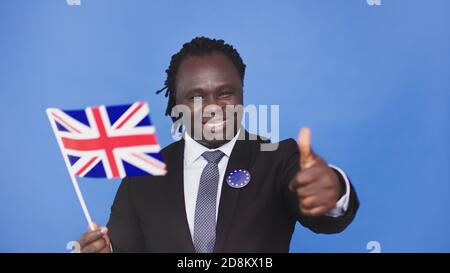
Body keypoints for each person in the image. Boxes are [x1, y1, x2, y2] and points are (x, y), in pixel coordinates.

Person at [77, 37, 359, 253]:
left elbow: (328, 220)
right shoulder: (142, 173)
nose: (213, 108)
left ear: (242, 95)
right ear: (176, 103)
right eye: (196, 97)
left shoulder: (278, 159)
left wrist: (332, 191)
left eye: (225, 93)